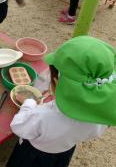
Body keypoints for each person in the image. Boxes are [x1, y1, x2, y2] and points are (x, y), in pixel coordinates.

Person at [6, 36, 116, 167]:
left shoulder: (43, 115)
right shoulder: (100, 117)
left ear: (56, 82)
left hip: (33, 154)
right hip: (63, 153)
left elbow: (18, 126)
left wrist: (28, 103)